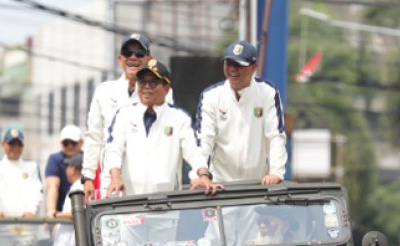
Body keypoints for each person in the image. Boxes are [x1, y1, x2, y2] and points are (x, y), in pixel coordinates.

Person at [96, 59, 207, 197]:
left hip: (167, 205)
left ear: (166, 88)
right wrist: (115, 175)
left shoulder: (179, 118)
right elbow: (114, 148)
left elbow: (193, 152)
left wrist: (203, 175)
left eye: (153, 82)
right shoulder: (124, 115)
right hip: (129, 203)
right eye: (142, 82)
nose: (147, 87)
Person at [82, 33, 173, 195]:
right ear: (120, 58)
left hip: (151, 186)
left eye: (139, 53)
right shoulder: (104, 91)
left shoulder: (162, 91)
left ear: (149, 58)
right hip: (113, 184)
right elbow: (94, 137)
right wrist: (88, 177)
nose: (133, 57)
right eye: (127, 53)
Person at [193, 40, 287, 194]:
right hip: (219, 187)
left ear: (254, 67)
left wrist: (276, 172)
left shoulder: (268, 93)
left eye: (239, 65)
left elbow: (276, 135)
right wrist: (202, 174)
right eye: (228, 63)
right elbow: (204, 139)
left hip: (258, 187)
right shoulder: (211, 96)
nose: (232, 70)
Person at [0, 127, 42, 218]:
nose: (15, 148)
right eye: (11, 144)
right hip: (0, 225)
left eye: (19, 144)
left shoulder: (32, 167)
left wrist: (31, 210)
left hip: (26, 225)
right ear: (3, 145)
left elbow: (37, 191)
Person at [44, 124, 83, 218]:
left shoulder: (89, 159)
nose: (70, 146)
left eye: (73, 143)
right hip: (61, 211)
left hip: (81, 209)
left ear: (81, 142)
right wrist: (52, 213)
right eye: (66, 143)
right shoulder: (55, 159)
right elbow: (53, 186)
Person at [56, 153, 84, 218]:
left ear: (73, 169)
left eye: (69, 166)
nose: (67, 170)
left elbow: (78, 212)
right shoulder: (77, 185)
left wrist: (55, 215)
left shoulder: (79, 186)